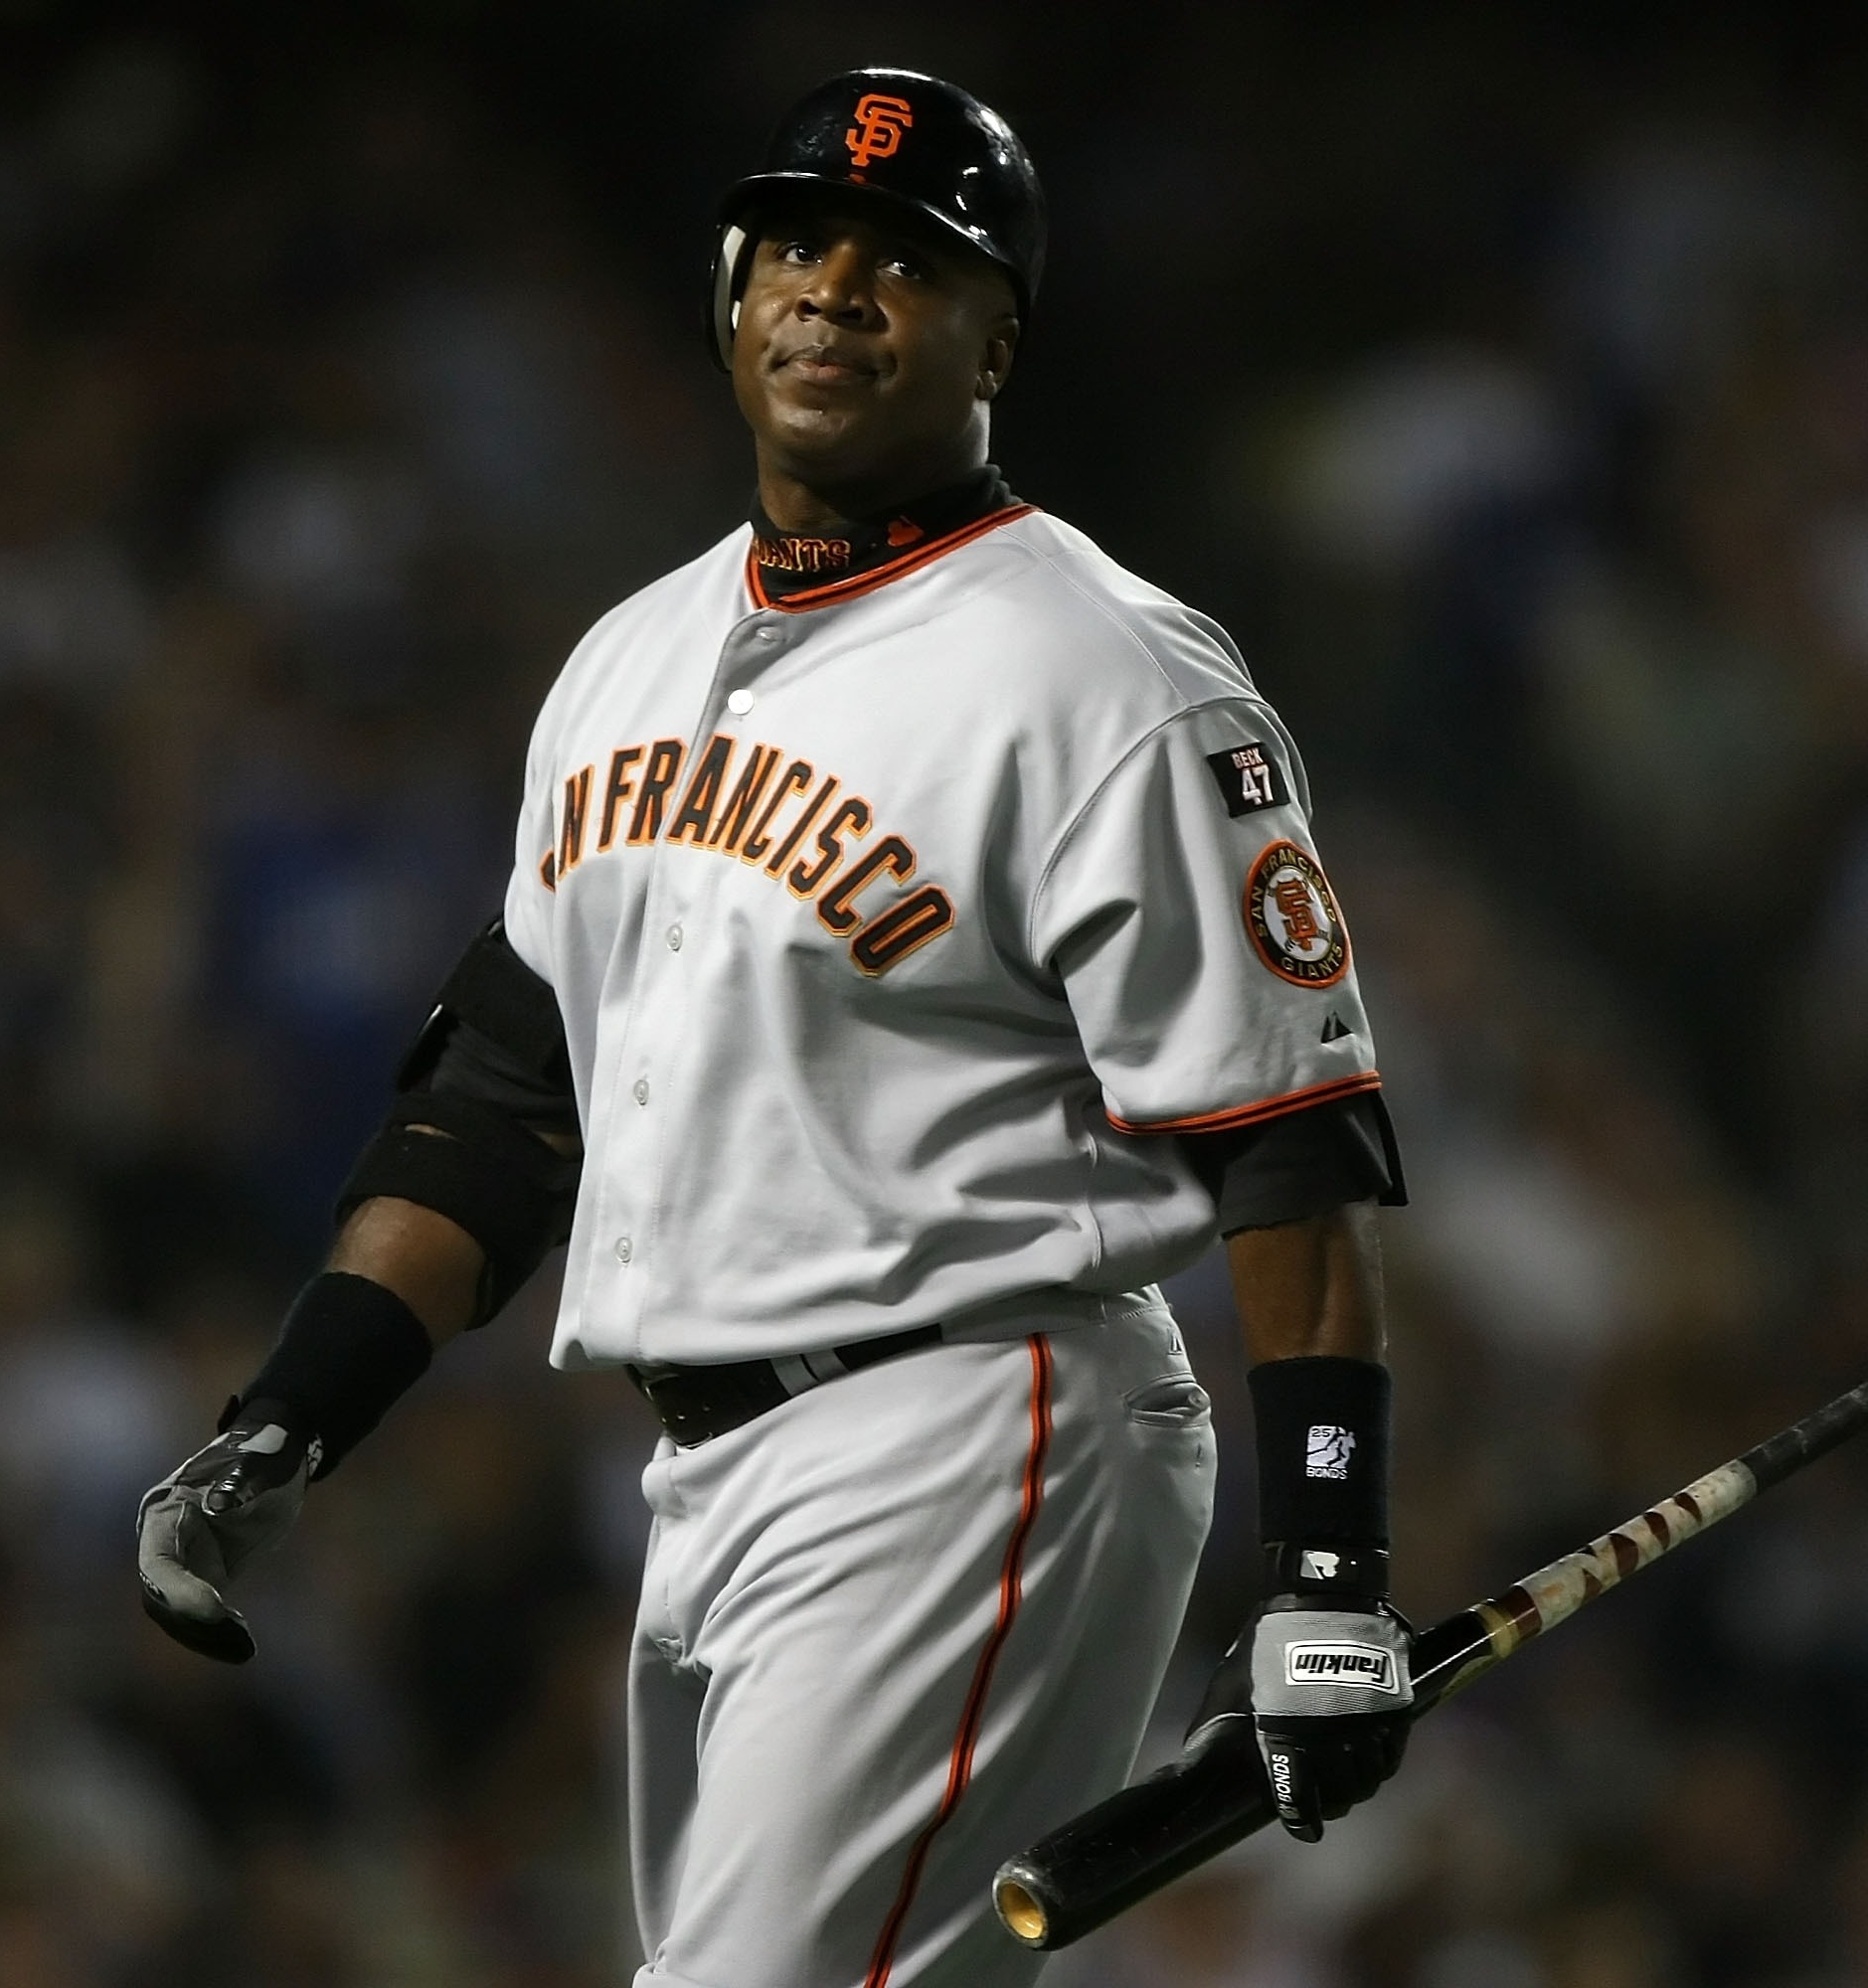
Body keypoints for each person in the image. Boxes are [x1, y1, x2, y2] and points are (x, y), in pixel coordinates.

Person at [136, 69, 1413, 1986]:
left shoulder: (1106, 673)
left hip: (977, 1418)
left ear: (1000, 335)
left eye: (907, 262)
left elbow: (1280, 1133)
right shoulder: (629, 654)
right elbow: (508, 1091)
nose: (834, 290)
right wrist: (294, 1417)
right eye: (800, 245)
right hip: (703, 1472)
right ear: (733, 294)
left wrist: (1329, 1573)